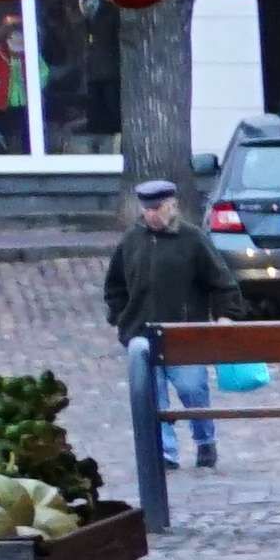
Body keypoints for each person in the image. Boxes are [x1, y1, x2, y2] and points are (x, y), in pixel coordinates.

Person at [101, 174, 223, 475]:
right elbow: (114, 285)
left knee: (192, 388)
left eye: (159, 208)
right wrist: (120, 316)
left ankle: (205, 439)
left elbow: (221, 282)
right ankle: (165, 452)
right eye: (148, 209)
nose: (152, 214)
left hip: (184, 333)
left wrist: (225, 315)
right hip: (141, 333)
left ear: (173, 206)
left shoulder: (193, 239)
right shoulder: (132, 240)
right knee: (152, 395)